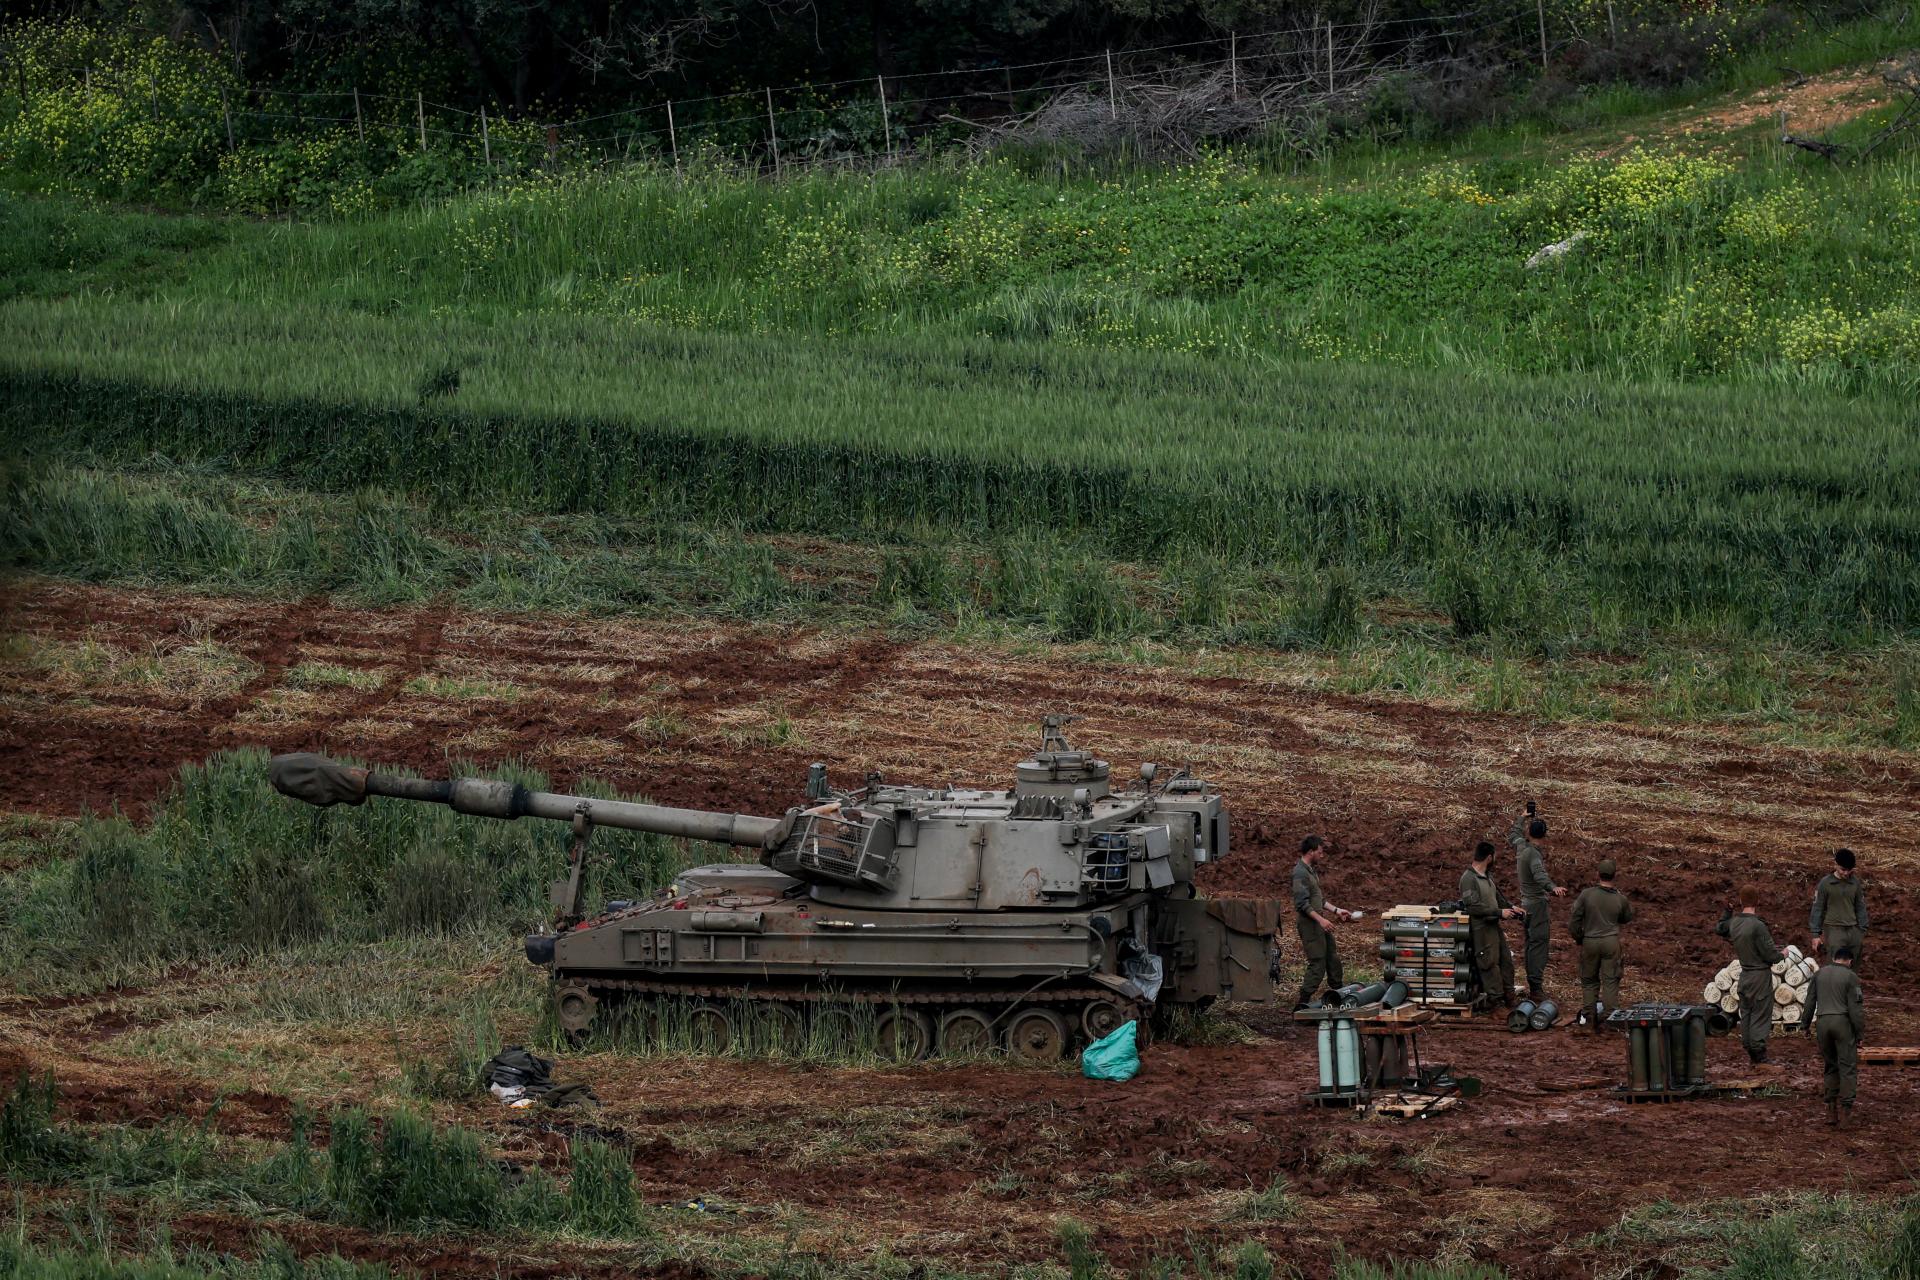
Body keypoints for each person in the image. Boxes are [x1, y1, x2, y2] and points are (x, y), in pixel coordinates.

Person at [1716, 884, 1785, 1066]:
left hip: (1744, 975)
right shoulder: (1757, 926)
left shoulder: (1735, 923)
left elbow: (1720, 928)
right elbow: (1770, 954)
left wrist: (1727, 911)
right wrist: (1782, 955)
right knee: (1760, 1014)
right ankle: (1759, 1054)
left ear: (1740, 901)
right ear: (1758, 901)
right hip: (1760, 977)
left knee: (1746, 1013)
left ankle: (1749, 1048)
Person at [1800, 945, 1865, 1128]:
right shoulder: (1851, 976)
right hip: (1842, 1023)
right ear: (1849, 961)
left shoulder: (1819, 974)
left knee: (1830, 1066)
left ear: (1835, 957)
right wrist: (1859, 1033)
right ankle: (1845, 1113)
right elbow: (1855, 1009)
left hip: (1822, 1023)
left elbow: (1809, 1001)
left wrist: (1805, 1025)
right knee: (1848, 1067)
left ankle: (1830, 1111)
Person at [1510, 802, 1568, 999]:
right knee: (1538, 946)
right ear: (1545, 835)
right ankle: (1536, 988)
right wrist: (1553, 888)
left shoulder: (1521, 846)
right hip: (1537, 905)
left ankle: (1533, 983)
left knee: (1529, 945)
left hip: (1526, 904)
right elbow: (1539, 875)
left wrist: (1522, 817)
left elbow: (1514, 835)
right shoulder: (1533, 854)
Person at [1568, 858, 1633, 1029]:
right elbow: (1627, 918)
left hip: (1590, 941)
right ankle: (1610, 1020)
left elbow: (1574, 920)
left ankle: (1589, 1019)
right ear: (1614, 875)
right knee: (1610, 981)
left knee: (1589, 982)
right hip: (1611, 941)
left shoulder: (1586, 895)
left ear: (1598, 874)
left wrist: (1579, 938)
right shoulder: (1620, 898)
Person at [1292, 835, 1354, 1008]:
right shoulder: (1300, 873)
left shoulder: (1311, 870)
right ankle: (1302, 1002)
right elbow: (1302, 904)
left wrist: (1336, 910)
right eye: (1320, 852)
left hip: (1318, 921)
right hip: (1310, 924)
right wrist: (1321, 920)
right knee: (1318, 962)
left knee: (1332, 958)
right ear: (1311, 852)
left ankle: (1339, 993)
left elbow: (1319, 899)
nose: (1322, 855)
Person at [1459, 841, 1520, 1010]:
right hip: (1481, 929)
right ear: (1489, 858)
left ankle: (1509, 996)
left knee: (1506, 961)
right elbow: (1473, 907)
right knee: (1489, 964)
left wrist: (1510, 907)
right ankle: (1496, 1002)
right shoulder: (1468, 879)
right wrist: (1499, 912)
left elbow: (1497, 897)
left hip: (1493, 927)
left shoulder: (1487, 877)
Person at [1809, 848, 1869, 970]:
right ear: (1835, 865)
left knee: (1853, 966)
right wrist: (1816, 934)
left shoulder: (1855, 883)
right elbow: (1817, 908)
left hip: (1853, 930)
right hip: (1834, 930)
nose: (1846, 873)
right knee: (1835, 966)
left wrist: (1861, 930)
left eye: (1849, 870)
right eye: (1843, 869)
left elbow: (1860, 906)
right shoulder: (1825, 884)